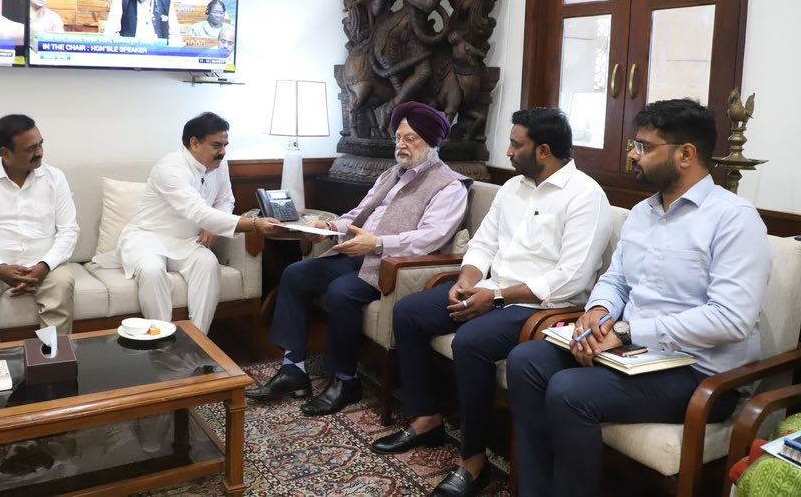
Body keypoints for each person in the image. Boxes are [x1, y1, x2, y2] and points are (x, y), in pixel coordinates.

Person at [507, 98, 772, 497]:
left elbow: (730, 318)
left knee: (569, 391)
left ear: (686, 154)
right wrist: (598, 313)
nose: (633, 154)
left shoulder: (734, 218)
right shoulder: (643, 212)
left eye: (644, 146)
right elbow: (616, 279)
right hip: (634, 354)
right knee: (526, 359)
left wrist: (628, 331)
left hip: (699, 373)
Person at [369, 107, 612, 497]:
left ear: (544, 150)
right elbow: (483, 243)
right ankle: (426, 417)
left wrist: (494, 297)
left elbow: (571, 279)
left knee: (472, 342)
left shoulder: (585, 196)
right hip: (492, 290)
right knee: (411, 312)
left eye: (516, 145)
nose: (509, 152)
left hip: (543, 309)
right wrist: (467, 280)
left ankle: (473, 460)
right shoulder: (514, 188)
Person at [246, 102, 470, 416]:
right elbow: (358, 215)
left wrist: (377, 243)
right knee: (296, 273)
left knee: (343, 291)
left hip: (396, 265)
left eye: (411, 138)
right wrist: (327, 227)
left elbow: (429, 238)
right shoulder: (392, 174)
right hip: (360, 250)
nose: (401, 145)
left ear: (432, 143)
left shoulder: (450, 187)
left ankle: (345, 381)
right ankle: (293, 369)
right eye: (398, 137)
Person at [92, 112, 280, 333]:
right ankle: (161, 343)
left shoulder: (220, 164)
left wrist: (213, 226)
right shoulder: (170, 168)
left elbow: (225, 199)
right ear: (194, 143)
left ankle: (197, 342)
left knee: (208, 264)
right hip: (148, 237)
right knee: (152, 272)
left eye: (225, 145)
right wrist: (254, 224)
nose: (223, 152)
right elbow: (197, 210)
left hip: (188, 241)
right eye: (217, 145)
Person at [0, 114, 79, 346]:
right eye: (31, 149)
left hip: (45, 264)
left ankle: (53, 364)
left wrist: (43, 266)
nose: (39, 152)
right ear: (5, 153)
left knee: (62, 283)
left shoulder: (55, 178)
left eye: (41, 144)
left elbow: (68, 231)